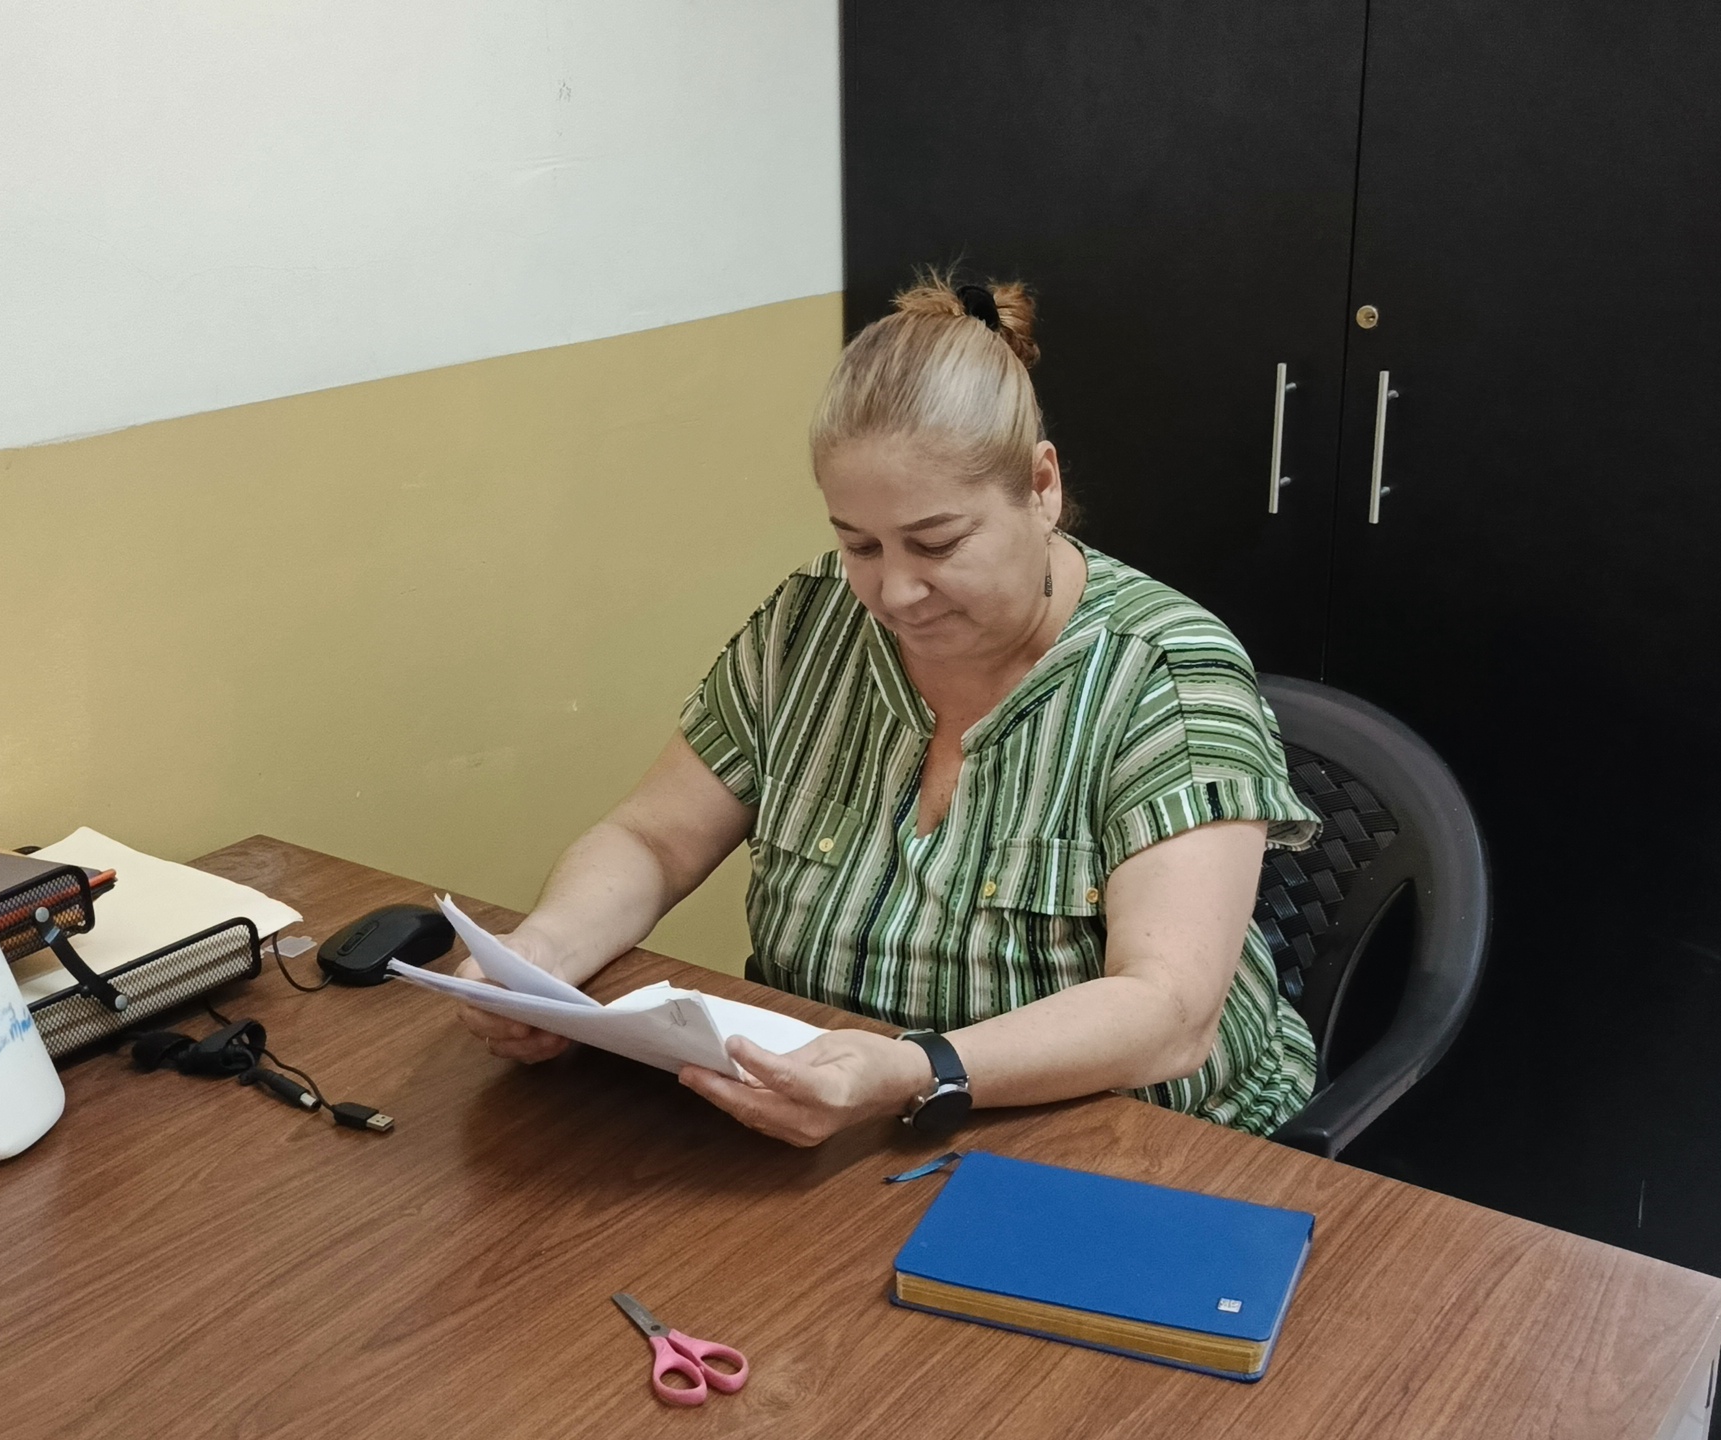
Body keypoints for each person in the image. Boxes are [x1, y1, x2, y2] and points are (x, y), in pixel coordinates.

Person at [452, 271, 1322, 1143]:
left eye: (936, 543)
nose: (896, 592)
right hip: (839, 1129)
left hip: (1139, 1144)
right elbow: (654, 840)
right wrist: (542, 955)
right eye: (860, 545)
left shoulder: (1168, 674)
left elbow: (1167, 1010)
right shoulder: (809, 622)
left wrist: (917, 1069)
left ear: (1041, 486)